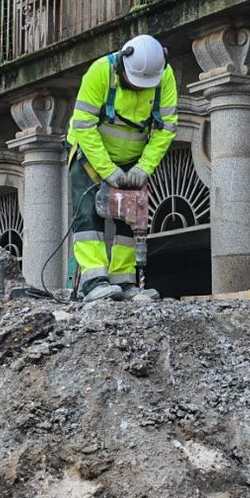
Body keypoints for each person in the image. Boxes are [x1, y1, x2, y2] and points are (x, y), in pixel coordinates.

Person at [66, 34, 178, 301]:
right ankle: (94, 281)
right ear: (123, 64)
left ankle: (124, 281)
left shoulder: (163, 74)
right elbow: (84, 126)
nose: (139, 89)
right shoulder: (100, 72)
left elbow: (167, 127)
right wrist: (108, 171)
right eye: (134, 83)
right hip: (90, 154)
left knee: (130, 218)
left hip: (134, 159)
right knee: (87, 216)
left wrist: (144, 167)